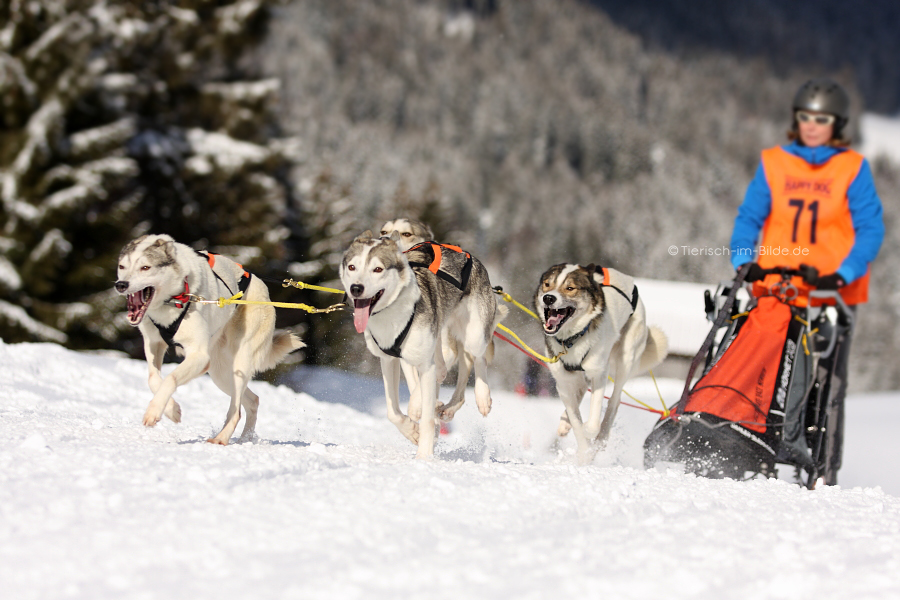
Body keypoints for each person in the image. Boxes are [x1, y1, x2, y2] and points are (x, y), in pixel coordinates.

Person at [729, 78, 885, 484]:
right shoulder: (775, 163)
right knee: (760, 370)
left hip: (830, 292)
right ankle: (752, 451)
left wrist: (842, 274)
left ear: (838, 124)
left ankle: (823, 474)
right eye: (805, 117)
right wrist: (745, 261)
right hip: (776, 289)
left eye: (821, 119)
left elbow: (870, 230)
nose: (812, 125)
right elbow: (749, 217)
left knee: (825, 383)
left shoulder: (852, 168)